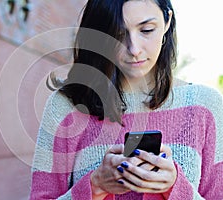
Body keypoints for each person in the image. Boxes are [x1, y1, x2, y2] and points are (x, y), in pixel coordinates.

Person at [30, 0, 223, 199]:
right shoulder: (66, 106)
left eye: (147, 30)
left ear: (167, 22)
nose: (134, 49)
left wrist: (175, 187)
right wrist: (95, 186)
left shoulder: (205, 105)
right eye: (118, 34)